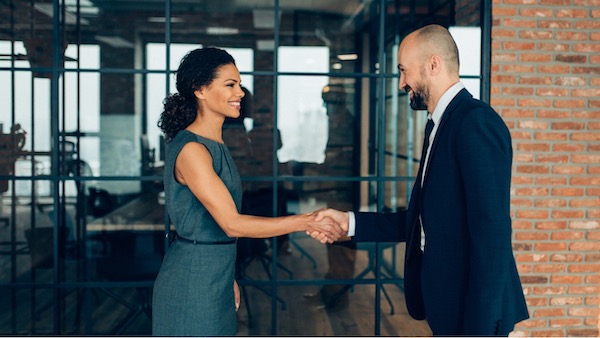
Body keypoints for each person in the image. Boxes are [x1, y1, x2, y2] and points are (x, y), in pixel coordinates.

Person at [312, 24, 529, 336]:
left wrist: (480, 328)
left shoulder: (475, 122)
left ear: (433, 64)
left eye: (404, 70)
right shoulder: (437, 125)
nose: (402, 83)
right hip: (445, 302)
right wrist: (350, 223)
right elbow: (426, 221)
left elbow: (491, 234)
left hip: (473, 313)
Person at [152, 47, 343, 336]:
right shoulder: (192, 149)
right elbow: (231, 224)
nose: (240, 92)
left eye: (239, 84)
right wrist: (306, 221)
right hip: (192, 279)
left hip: (214, 273)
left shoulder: (215, 145)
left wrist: (227, 274)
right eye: (230, 84)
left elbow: (212, 231)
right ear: (200, 90)